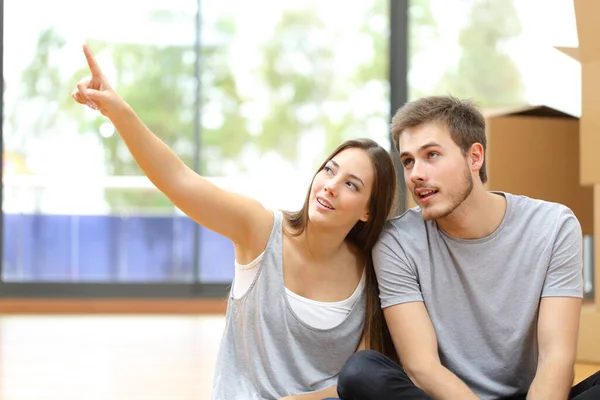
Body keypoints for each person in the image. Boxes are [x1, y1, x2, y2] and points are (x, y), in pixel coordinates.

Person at [71, 44, 398, 400]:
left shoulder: (371, 270)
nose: (331, 186)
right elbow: (177, 178)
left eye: (351, 184)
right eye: (329, 170)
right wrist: (119, 112)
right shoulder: (258, 229)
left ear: (368, 210)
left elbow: (354, 384)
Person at [335, 95, 600, 400]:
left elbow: (556, 359)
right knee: (361, 372)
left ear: (475, 157)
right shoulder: (396, 241)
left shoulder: (553, 225)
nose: (416, 174)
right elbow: (422, 366)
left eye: (431, 154)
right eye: (408, 161)